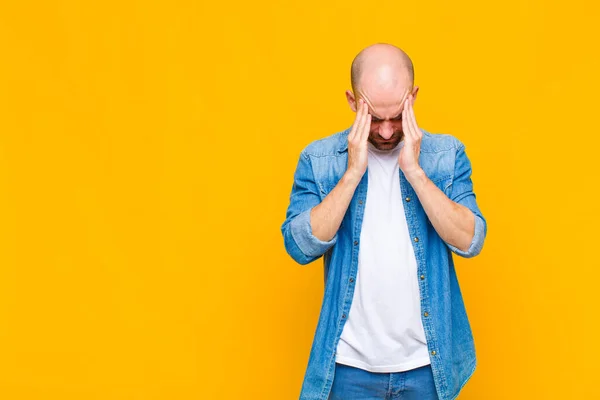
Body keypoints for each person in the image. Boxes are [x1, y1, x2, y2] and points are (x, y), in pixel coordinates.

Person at [280, 43, 487, 400]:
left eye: (396, 116)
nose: (388, 132)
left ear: (413, 96)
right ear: (351, 100)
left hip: (428, 366)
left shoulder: (446, 155)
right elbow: (299, 246)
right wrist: (353, 172)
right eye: (375, 118)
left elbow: (471, 240)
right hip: (347, 369)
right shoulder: (321, 160)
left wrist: (415, 171)